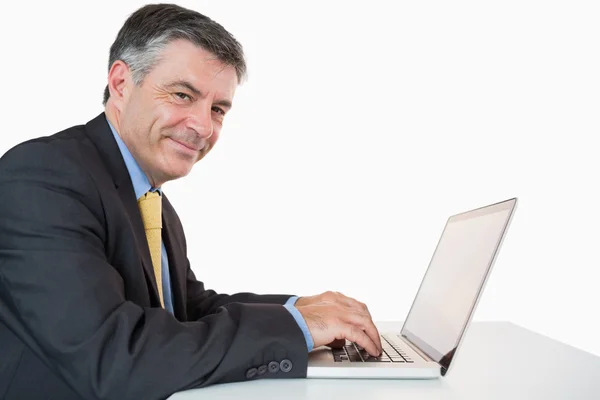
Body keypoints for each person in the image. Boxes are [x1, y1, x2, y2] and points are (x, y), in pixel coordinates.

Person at [0, 3, 382, 400]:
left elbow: (189, 310)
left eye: (217, 109)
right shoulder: (44, 177)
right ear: (120, 83)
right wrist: (297, 329)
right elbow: (116, 357)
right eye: (183, 95)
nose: (203, 125)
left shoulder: (149, 200)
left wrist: (298, 309)